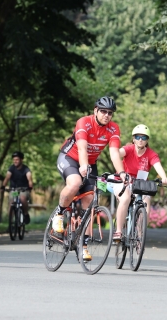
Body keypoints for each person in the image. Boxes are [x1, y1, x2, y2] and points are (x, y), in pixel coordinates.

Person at [54, 96, 127, 261]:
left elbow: (114, 153)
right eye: (103, 111)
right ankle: (59, 214)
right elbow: (81, 147)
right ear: (95, 110)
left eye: (110, 113)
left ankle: (83, 246)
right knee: (75, 183)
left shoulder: (113, 129)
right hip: (70, 158)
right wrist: (82, 166)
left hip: (91, 163)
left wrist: (121, 172)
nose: (106, 115)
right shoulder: (84, 122)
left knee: (91, 202)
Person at [111, 124, 167, 240]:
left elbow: (158, 166)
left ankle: (139, 233)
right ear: (133, 139)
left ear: (147, 140)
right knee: (125, 198)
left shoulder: (151, 154)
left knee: (146, 201)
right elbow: (117, 154)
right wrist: (116, 154)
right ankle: (118, 231)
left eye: (143, 137)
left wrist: (164, 178)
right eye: (137, 137)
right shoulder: (128, 149)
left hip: (140, 184)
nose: (140, 140)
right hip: (124, 180)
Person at [1, 151, 33, 224]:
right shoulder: (11, 168)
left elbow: (29, 179)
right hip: (14, 190)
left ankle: (25, 214)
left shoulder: (26, 169)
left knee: (22, 198)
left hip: (23, 189)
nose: (15, 161)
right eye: (14, 160)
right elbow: (7, 178)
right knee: (11, 202)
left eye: (17, 160)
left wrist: (30, 187)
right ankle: (10, 222)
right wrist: (3, 186)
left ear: (21, 160)